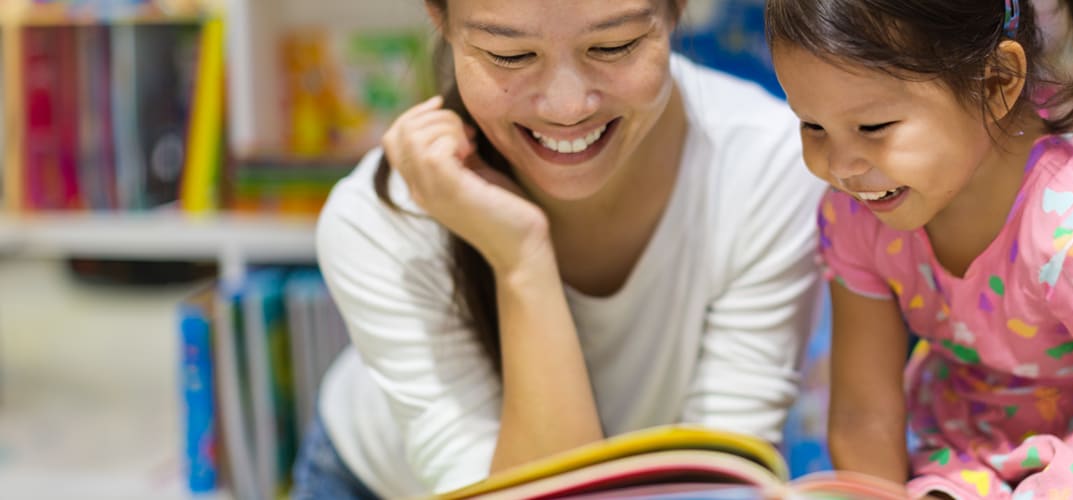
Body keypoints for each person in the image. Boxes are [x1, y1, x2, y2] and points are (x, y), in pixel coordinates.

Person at [291, 1, 826, 497]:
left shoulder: (771, 166)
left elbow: (714, 479)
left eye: (614, 46)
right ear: (441, 19)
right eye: (511, 55)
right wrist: (521, 260)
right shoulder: (379, 220)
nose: (568, 107)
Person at [765, 0, 1073, 497]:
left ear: (999, 82)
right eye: (812, 126)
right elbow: (863, 415)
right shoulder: (856, 215)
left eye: (874, 128)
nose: (842, 165)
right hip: (976, 426)